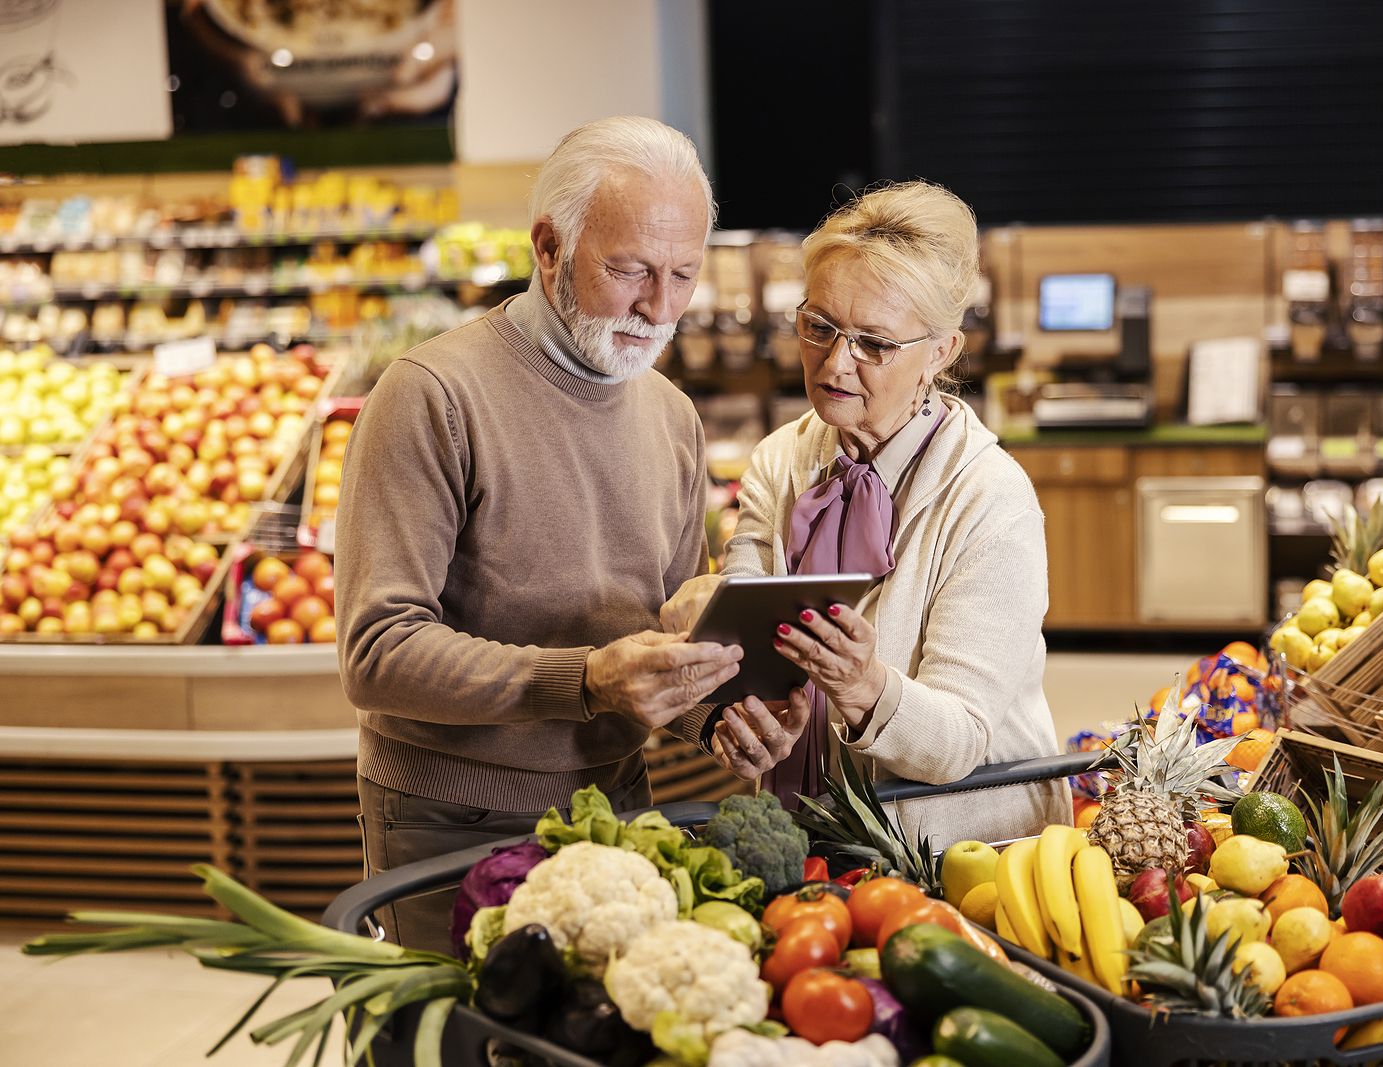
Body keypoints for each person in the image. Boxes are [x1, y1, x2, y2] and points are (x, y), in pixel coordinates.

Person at [336, 116, 803, 951]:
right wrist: (584, 680)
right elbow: (377, 652)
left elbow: (662, 635)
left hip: (620, 803)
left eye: (683, 274)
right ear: (549, 247)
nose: (659, 307)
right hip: (453, 819)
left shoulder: (673, 416)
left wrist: (716, 714)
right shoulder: (431, 395)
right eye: (630, 270)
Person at [664, 181, 1069, 848]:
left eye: (874, 344)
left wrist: (864, 686)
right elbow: (749, 649)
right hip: (811, 835)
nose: (835, 362)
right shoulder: (779, 461)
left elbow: (960, 739)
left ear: (939, 352)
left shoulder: (990, 498)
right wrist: (732, 710)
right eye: (819, 327)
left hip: (967, 854)